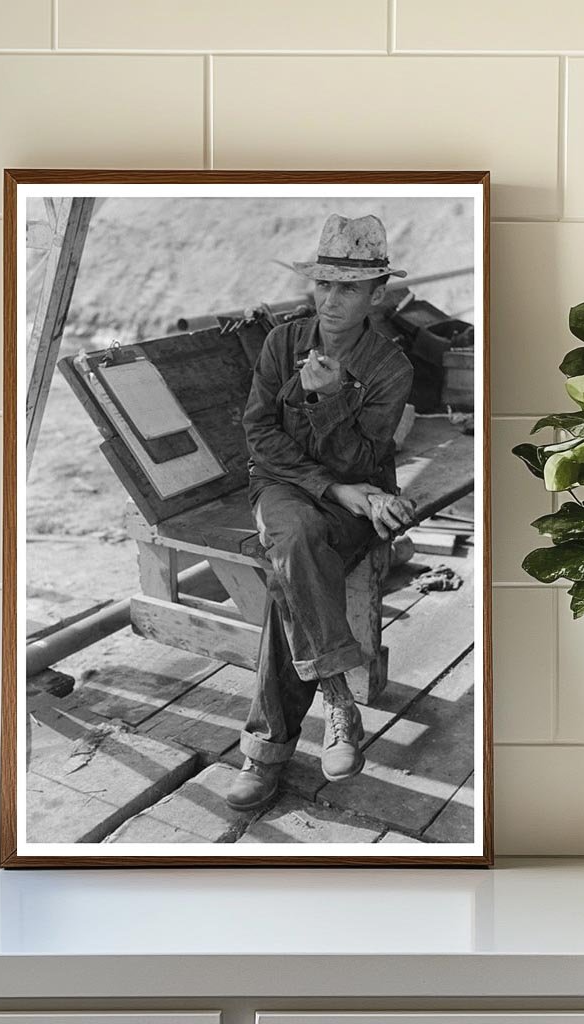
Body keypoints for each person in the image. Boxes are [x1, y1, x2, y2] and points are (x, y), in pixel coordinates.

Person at [226, 213, 417, 812]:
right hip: (288, 489)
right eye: (323, 285)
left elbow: (364, 456)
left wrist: (331, 399)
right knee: (295, 533)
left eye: (349, 289)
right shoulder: (283, 342)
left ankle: (265, 753)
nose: (331, 301)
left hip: (360, 502)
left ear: (377, 295)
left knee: (293, 562)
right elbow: (259, 435)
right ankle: (337, 695)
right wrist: (332, 489)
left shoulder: (391, 368)